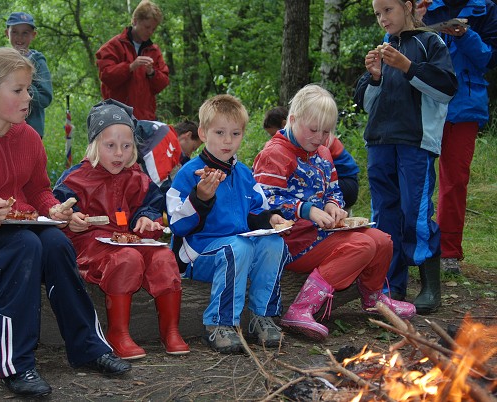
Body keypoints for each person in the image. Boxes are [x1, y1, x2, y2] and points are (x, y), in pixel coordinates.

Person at [0, 48, 130, 398]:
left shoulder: (29, 138)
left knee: (55, 243)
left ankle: (89, 348)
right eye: (18, 90)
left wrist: (53, 211)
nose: (28, 97)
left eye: (28, 89)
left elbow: (37, 189)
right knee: (26, 246)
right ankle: (16, 365)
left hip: (21, 228)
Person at [252, 84, 416, 341]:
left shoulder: (323, 153)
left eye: (326, 131)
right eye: (313, 130)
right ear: (293, 120)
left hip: (321, 233)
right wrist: (307, 210)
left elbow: (334, 190)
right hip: (290, 240)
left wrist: (333, 206)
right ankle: (302, 308)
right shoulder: (275, 153)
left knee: (382, 240)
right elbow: (264, 199)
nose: (319, 137)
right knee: (361, 245)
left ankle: (373, 298)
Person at [53, 99, 190, 360]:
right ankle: (118, 333)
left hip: (130, 239)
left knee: (163, 257)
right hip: (91, 244)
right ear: (94, 145)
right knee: (127, 258)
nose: (119, 154)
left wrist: (148, 220)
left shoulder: (137, 177)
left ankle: (170, 330)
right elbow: (58, 208)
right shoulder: (76, 178)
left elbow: (149, 206)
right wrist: (69, 217)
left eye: (126, 147)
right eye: (110, 146)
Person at [166, 94, 292, 354]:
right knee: (239, 247)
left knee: (273, 242)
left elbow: (257, 210)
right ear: (202, 133)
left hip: (237, 251)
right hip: (200, 256)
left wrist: (272, 218)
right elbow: (177, 224)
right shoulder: (189, 174)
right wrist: (200, 198)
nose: (227, 140)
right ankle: (219, 324)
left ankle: (262, 316)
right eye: (220, 132)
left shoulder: (244, 174)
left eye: (235, 133)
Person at [354, 0, 457, 314]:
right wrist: (373, 76)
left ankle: (429, 285)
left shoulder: (430, 43)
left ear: (408, 6)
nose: (383, 19)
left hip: (416, 142)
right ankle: (389, 284)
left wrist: (407, 67)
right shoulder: (383, 48)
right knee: (385, 215)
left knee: (415, 212)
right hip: (379, 143)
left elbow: (447, 88)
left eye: (388, 10)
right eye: (377, 14)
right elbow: (364, 104)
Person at [421, 0, 497, 275]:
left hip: (464, 105)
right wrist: (415, 16)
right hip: (423, 102)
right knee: (418, 177)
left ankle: (449, 252)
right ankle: (416, 245)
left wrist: (465, 35)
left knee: (455, 180)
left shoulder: (486, 8)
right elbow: (398, 43)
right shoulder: (426, 4)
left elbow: (489, 59)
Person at [263, 106, 361, 211]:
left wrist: (331, 204)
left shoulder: (316, 143)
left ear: (285, 124)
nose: (320, 137)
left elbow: (331, 188)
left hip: (345, 180)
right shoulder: (278, 149)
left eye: (273, 134)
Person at [96, 0, 169, 120]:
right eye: (147, 27)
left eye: (153, 29)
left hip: (145, 119)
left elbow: (163, 82)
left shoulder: (154, 51)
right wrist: (130, 67)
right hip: (117, 117)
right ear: (135, 21)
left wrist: (152, 73)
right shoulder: (112, 47)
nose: (150, 32)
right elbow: (106, 76)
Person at [5, 11, 53, 137]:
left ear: (33, 35)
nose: (19, 37)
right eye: (14, 32)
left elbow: (45, 98)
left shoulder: (37, 61)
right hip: (4, 129)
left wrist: (22, 89)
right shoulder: (2, 61)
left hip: (30, 130)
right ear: (6, 33)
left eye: (25, 33)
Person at [135, 119, 201, 193]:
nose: (190, 154)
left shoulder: (161, 129)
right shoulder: (168, 138)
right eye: (193, 148)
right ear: (188, 135)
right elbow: (157, 181)